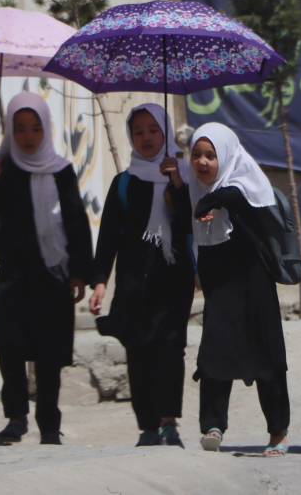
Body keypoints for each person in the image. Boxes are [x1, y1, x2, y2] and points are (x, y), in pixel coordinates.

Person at [0, 92, 93, 445]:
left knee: (48, 355)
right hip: (13, 278)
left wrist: (80, 272)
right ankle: (16, 418)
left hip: (51, 277)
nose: (28, 137)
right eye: (20, 129)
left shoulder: (61, 170)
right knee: (8, 347)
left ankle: (49, 426)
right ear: (10, 130)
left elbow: (75, 223)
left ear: (46, 130)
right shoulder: (1, 170)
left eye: (35, 129)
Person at [174, 123, 290, 457]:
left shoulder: (241, 183)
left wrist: (204, 203)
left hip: (253, 284)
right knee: (214, 351)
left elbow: (232, 196)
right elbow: (186, 218)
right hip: (219, 285)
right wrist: (177, 181)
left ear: (224, 155)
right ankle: (213, 425)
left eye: (211, 155)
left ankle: (278, 432)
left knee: (265, 357)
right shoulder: (197, 189)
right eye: (196, 155)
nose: (203, 162)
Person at [88, 104, 195, 447]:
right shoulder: (124, 183)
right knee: (138, 349)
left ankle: (169, 422)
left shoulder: (184, 177)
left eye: (153, 130)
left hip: (173, 279)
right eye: (138, 131)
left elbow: (189, 223)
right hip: (134, 279)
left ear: (165, 133)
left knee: (169, 347)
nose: (146, 138)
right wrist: (101, 281)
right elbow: (108, 236)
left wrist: (176, 183)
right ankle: (147, 425)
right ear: (130, 137)